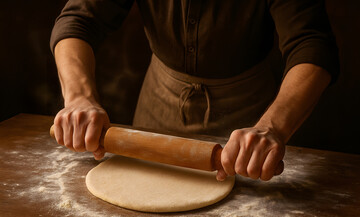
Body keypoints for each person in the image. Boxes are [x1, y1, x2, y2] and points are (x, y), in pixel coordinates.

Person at [50, 0, 339, 182]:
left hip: (250, 118)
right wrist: (79, 98)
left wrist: (272, 127)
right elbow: (78, 21)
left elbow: (311, 45)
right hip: (158, 103)